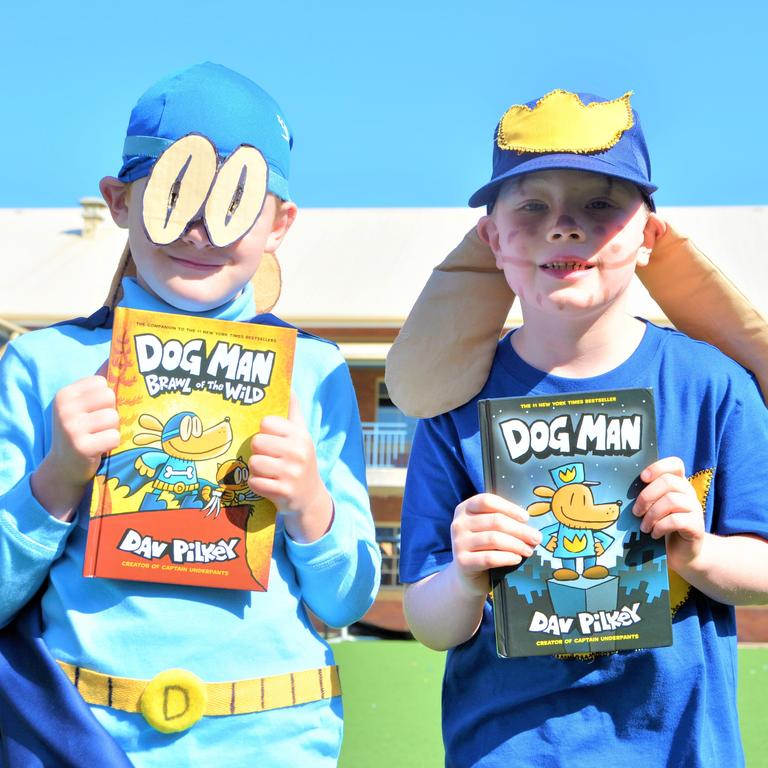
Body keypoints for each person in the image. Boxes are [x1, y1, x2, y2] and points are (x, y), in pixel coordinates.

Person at [0, 62, 380, 767]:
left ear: (279, 223)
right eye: (174, 197)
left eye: (233, 206)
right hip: (80, 735)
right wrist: (56, 478)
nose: (201, 230)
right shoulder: (42, 364)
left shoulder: (318, 370)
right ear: (118, 201)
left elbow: (349, 598)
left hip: (275, 735)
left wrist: (309, 504)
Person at [395, 89, 768, 767]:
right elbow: (427, 618)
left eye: (601, 204)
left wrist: (697, 553)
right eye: (531, 205)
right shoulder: (453, 402)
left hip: (680, 749)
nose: (564, 226)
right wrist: (464, 578)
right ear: (492, 238)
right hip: (506, 750)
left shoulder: (714, 387)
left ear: (649, 234)